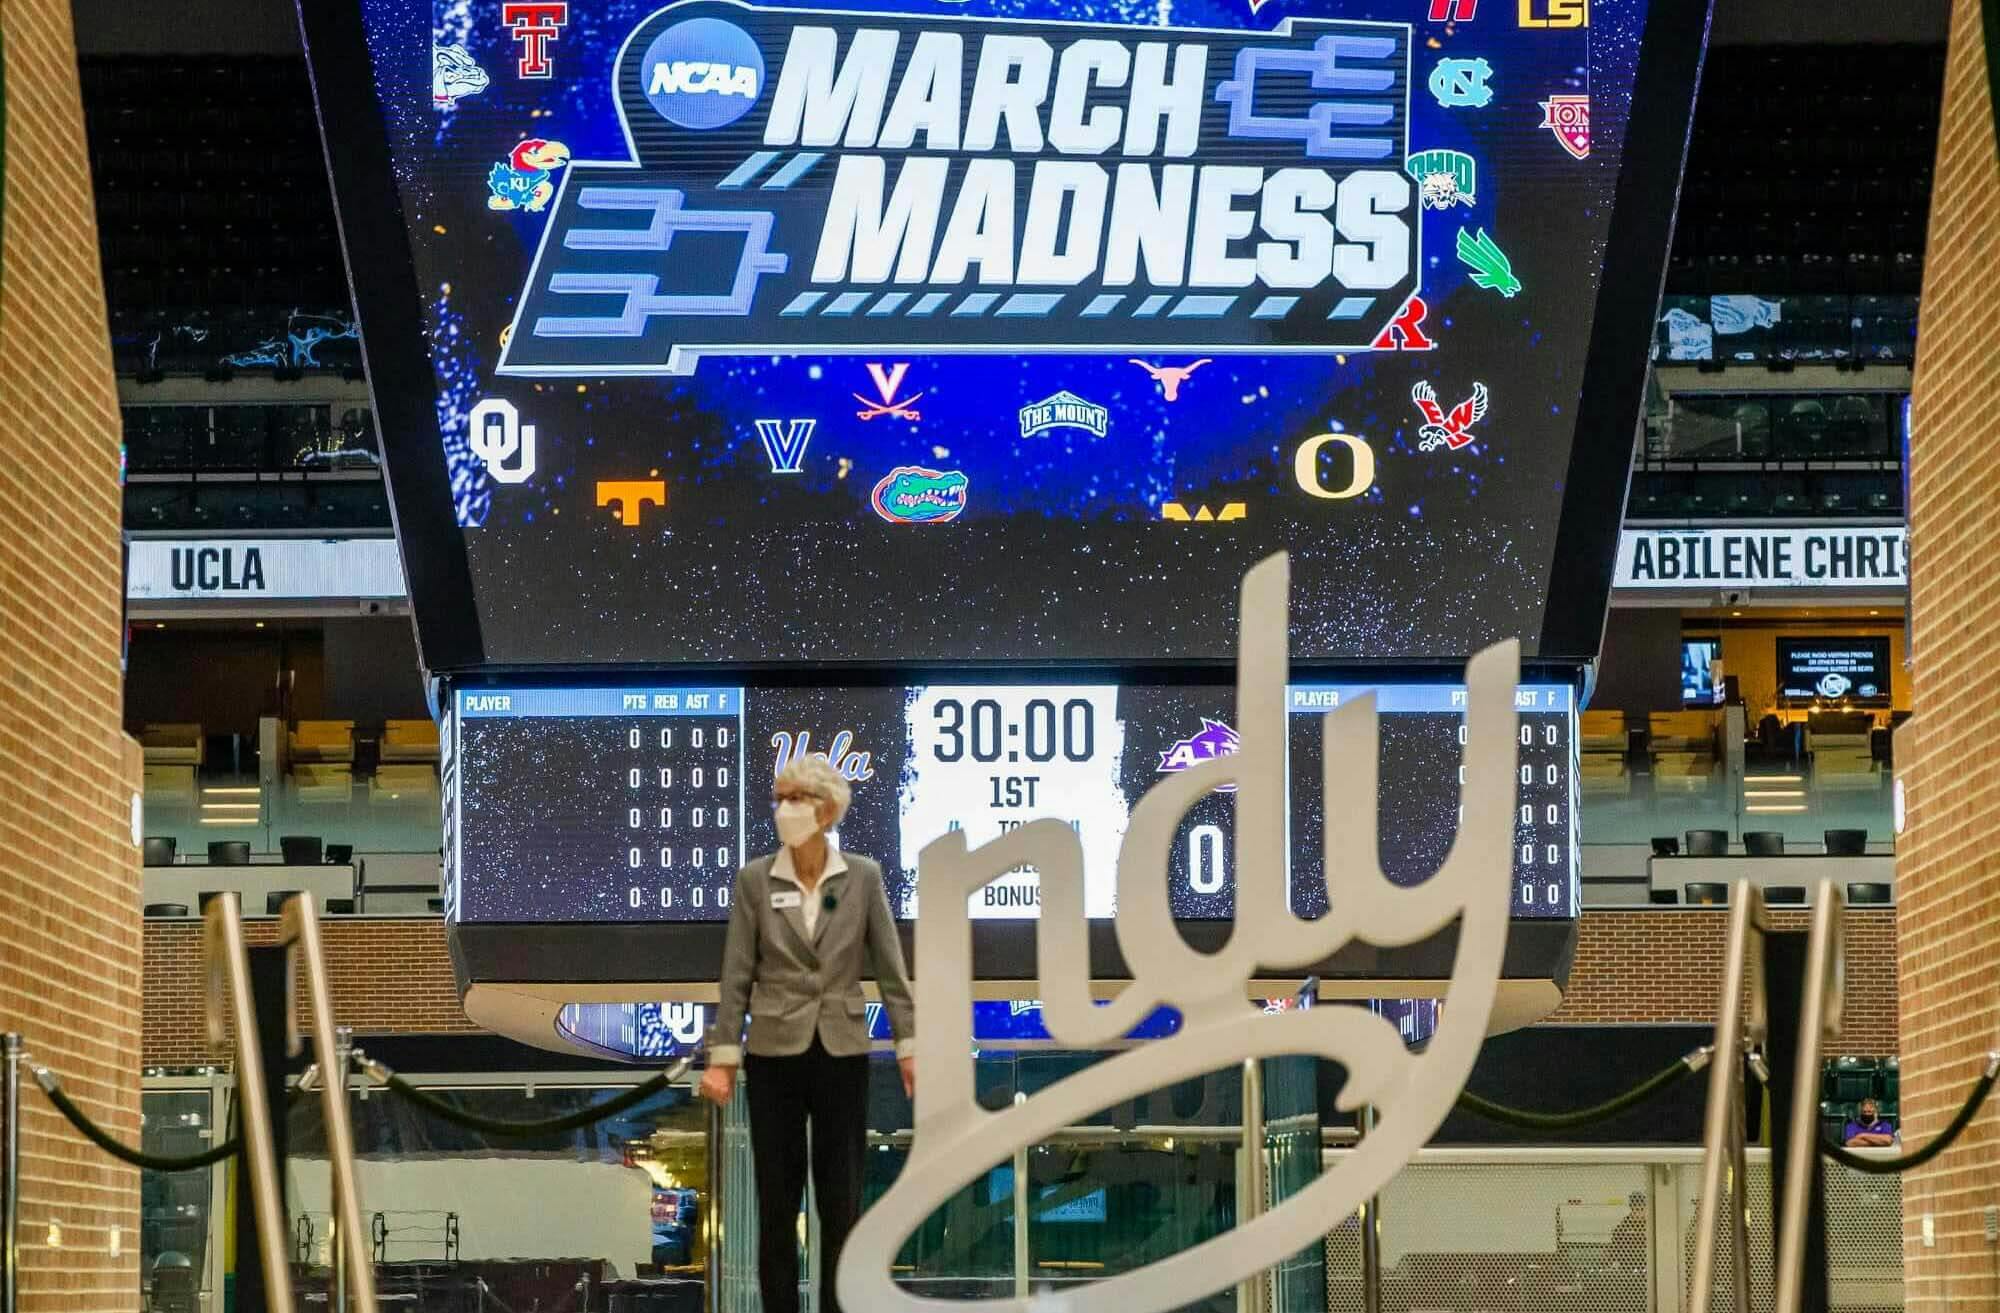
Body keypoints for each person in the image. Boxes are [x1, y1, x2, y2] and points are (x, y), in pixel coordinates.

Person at [697, 756, 915, 1313]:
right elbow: (737, 972)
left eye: (795, 798)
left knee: (840, 1202)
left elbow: (890, 970)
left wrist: (909, 1047)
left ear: (826, 808)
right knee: (777, 1202)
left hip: (842, 1052)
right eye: (779, 798)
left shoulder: (862, 877)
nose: (784, 809)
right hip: (774, 1055)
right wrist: (723, 1056)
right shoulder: (755, 879)